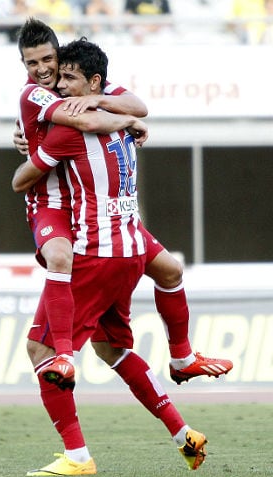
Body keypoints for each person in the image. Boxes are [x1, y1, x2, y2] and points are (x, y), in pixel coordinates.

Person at [12, 37, 208, 476]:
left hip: (90, 241)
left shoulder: (75, 123)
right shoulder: (83, 106)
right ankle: (183, 429)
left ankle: (77, 453)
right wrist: (120, 120)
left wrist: (37, 150)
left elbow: (22, 179)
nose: (53, 78)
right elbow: (134, 110)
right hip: (130, 245)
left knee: (40, 345)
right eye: (40, 65)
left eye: (60, 69)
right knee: (114, 344)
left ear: (91, 79)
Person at [13, 18, 233, 385]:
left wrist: (107, 105)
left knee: (171, 271)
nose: (42, 70)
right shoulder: (36, 93)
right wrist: (125, 119)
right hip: (55, 202)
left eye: (47, 60)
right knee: (59, 258)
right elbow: (69, 132)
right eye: (31, 64)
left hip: (113, 217)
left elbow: (139, 105)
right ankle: (64, 355)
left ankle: (182, 358)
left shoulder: (84, 81)